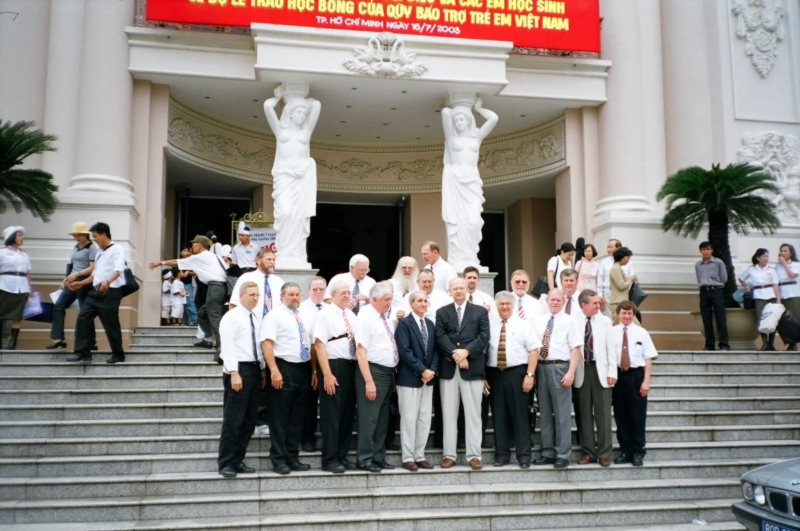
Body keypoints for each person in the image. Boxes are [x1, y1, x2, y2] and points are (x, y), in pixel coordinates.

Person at [435, 277, 490, 470]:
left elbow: (484, 337)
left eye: (461, 287)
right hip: (449, 369)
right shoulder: (442, 312)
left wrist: (466, 352)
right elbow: (440, 337)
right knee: (448, 413)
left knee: (474, 414)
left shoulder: (480, 312)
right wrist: (456, 355)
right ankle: (449, 455)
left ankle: (474, 455)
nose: (458, 291)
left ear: (467, 289)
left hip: (473, 368)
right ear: (449, 291)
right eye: (455, 288)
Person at [229, 247, 285, 436]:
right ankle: (254, 420)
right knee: (256, 382)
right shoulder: (246, 279)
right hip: (252, 334)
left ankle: (268, 419)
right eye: (269, 259)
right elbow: (233, 305)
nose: (272, 262)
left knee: (272, 380)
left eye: (274, 259)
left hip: (274, 337)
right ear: (258, 260)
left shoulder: (278, 282)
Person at [259, 282, 313, 475]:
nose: (295, 298)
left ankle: (292, 456)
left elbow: (311, 343)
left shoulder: (303, 316)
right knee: (280, 417)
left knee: (297, 417)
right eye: (291, 294)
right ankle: (279, 459)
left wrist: (313, 371)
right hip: (283, 367)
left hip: (303, 368)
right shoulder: (274, 315)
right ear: (282, 296)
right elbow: (266, 343)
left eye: (298, 294)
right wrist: (273, 370)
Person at [263, 90, 320, 269]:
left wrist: (308, 102)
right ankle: (284, 253)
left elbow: (317, 106)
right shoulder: (281, 131)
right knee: (286, 213)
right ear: (290, 113)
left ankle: (296, 254)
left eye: (304, 113)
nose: (302, 116)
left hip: (302, 178)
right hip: (285, 177)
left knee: (299, 216)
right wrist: (278, 98)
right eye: (299, 112)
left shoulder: (306, 133)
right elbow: (267, 107)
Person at [440, 99, 498, 271]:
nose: (458, 123)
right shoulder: (451, 139)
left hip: (472, 183)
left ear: (468, 121)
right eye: (456, 120)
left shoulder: (477, 137)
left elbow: (493, 119)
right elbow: (444, 112)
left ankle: (471, 257)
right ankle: (458, 259)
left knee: (473, 222)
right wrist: (456, 108)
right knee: (457, 222)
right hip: (456, 183)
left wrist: (478, 108)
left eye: (462, 119)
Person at [149, 235, 228, 356]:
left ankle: (222, 349)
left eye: (193, 245)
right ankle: (208, 339)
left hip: (215, 288)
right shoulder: (214, 256)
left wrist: (161, 262)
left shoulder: (200, 257)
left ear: (199, 245)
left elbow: (176, 262)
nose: (191, 247)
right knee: (202, 313)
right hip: (218, 288)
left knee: (214, 318)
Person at [216, 281, 265, 478]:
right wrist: (234, 372)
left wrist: (262, 370)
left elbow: (258, 346)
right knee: (233, 419)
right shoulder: (231, 317)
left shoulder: (255, 317)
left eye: (257, 295)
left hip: (253, 370)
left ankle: (238, 460)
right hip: (239, 370)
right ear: (242, 295)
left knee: (249, 419)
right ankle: (226, 462)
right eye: (252, 294)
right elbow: (227, 347)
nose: (255, 298)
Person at [486, 291, 540, 468]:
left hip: (517, 374)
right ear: (496, 306)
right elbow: (484, 352)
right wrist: (483, 377)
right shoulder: (489, 325)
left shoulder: (523, 325)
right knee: (499, 415)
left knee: (520, 415)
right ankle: (501, 455)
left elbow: (534, 350)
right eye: (501, 304)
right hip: (495, 374)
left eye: (507, 304)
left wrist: (530, 375)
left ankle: (524, 456)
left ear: (513, 305)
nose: (504, 307)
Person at [533, 289, 582, 469]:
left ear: (563, 301)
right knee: (545, 412)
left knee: (561, 414)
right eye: (552, 299)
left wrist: (571, 372)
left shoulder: (570, 321)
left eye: (558, 300)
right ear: (547, 301)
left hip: (561, 367)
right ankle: (547, 452)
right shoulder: (539, 321)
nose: (555, 302)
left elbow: (576, 348)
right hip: (541, 367)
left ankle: (562, 454)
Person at [314, 281, 360, 473]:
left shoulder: (351, 315)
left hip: (351, 366)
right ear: (332, 295)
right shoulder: (325, 314)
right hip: (334, 366)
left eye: (349, 293)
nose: (346, 296)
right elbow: (319, 345)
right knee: (332, 414)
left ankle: (342, 455)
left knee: (347, 414)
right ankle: (330, 458)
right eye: (342, 293)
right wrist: (327, 374)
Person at [66, 222, 126, 364]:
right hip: (95, 291)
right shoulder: (99, 252)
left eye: (95, 236)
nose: (94, 240)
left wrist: (107, 282)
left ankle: (118, 354)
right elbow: (95, 274)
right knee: (82, 319)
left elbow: (118, 270)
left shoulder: (117, 249)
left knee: (111, 325)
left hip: (110, 292)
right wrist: (81, 283)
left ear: (104, 234)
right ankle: (83, 353)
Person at [354, 283, 399, 473]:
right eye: (386, 300)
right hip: (374, 372)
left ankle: (378, 456)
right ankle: (364, 458)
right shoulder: (365, 317)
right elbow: (361, 351)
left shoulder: (383, 316)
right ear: (374, 300)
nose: (389, 303)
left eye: (390, 299)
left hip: (387, 373)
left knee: (382, 418)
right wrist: (369, 381)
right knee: (369, 418)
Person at [394, 290, 439, 471]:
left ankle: (420, 455)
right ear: (411, 304)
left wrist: (431, 371)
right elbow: (405, 351)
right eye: (419, 301)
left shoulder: (429, 323)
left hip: (428, 380)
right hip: (409, 378)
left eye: (425, 301)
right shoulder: (405, 324)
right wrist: (422, 370)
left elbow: (435, 350)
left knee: (424, 419)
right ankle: (408, 457)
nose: (423, 303)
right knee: (409, 418)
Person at [611, 300, 657, 466]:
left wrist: (646, 381)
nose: (627, 316)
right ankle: (625, 450)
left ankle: (638, 452)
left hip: (636, 376)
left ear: (633, 314)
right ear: (618, 314)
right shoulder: (612, 332)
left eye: (630, 313)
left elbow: (648, 358)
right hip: (618, 377)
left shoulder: (642, 333)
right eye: (624, 313)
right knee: (621, 415)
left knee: (637, 415)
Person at [574, 289, 615, 467]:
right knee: (584, 415)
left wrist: (612, 371)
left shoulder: (605, 322)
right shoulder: (573, 320)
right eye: (595, 303)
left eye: (598, 303)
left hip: (601, 372)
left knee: (603, 414)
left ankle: (604, 453)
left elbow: (610, 348)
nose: (599, 306)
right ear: (584, 305)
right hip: (581, 372)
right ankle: (588, 452)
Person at [48, 222, 96, 350]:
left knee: (84, 311)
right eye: (75, 235)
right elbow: (72, 265)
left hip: (83, 281)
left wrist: (78, 275)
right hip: (72, 280)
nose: (77, 237)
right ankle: (58, 338)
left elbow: (93, 268)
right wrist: (65, 280)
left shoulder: (92, 248)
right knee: (58, 306)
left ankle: (91, 341)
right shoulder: (76, 246)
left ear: (86, 235)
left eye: (79, 234)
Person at [299, 276, 327, 453]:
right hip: (308, 361)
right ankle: (307, 438)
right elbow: (308, 342)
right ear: (308, 290)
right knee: (308, 403)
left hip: (329, 362)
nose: (318, 292)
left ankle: (327, 438)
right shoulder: (301, 310)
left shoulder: (330, 308)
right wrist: (314, 370)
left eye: (321, 289)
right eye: (315, 289)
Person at [738, 248, 781, 351]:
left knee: (772, 321)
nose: (766, 258)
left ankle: (771, 344)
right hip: (759, 296)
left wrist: (778, 299)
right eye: (764, 256)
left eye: (767, 256)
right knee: (761, 320)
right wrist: (747, 287)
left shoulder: (771, 270)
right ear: (758, 258)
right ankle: (764, 344)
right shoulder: (751, 269)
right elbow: (741, 278)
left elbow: (775, 285)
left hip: (771, 296)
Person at [0, 226, 31, 350]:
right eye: (19, 235)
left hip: (21, 285)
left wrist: (29, 288)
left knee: (17, 315)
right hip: (4, 284)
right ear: (12, 237)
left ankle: (13, 342)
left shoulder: (23, 254)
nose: (21, 238)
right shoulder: (2, 252)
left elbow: (27, 272)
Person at [695, 242, 730, 351]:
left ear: (711, 250)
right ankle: (709, 345)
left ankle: (724, 344)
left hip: (716, 291)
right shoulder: (697, 264)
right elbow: (699, 278)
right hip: (704, 291)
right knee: (706, 319)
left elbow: (724, 278)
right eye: (703, 249)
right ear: (700, 251)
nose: (705, 251)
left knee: (720, 317)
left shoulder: (718, 262)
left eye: (707, 249)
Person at [599, 239, 634, 318]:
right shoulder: (604, 262)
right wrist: (600, 294)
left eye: (611, 247)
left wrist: (628, 291)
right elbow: (600, 279)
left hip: (623, 293)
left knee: (623, 316)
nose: (608, 249)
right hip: (608, 292)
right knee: (610, 316)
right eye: (608, 247)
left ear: (618, 248)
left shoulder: (627, 262)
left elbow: (631, 277)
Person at [777, 243, 799, 351]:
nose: (782, 253)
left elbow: (792, 275)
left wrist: (785, 264)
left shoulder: (796, 264)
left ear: (791, 253)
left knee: (795, 319)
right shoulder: (777, 267)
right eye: (781, 251)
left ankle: (794, 341)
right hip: (782, 297)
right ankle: (790, 342)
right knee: (783, 320)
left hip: (794, 295)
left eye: (785, 251)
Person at [609, 247, 638, 325]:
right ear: (621, 256)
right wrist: (631, 280)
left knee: (633, 326)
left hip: (623, 302)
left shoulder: (618, 268)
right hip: (618, 302)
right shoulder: (615, 269)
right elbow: (621, 286)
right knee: (618, 327)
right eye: (627, 258)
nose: (628, 260)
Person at [179, 245, 198, 327]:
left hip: (188, 285)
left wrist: (188, 272)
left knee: (189, 302)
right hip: (179, 285)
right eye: (184, 251)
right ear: (181, 253)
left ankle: (195, 320)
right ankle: (184, 321)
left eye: (187, 251)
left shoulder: (191, 262)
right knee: (182, 303)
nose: (186, 252)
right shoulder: (179, 262)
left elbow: (195, 272)